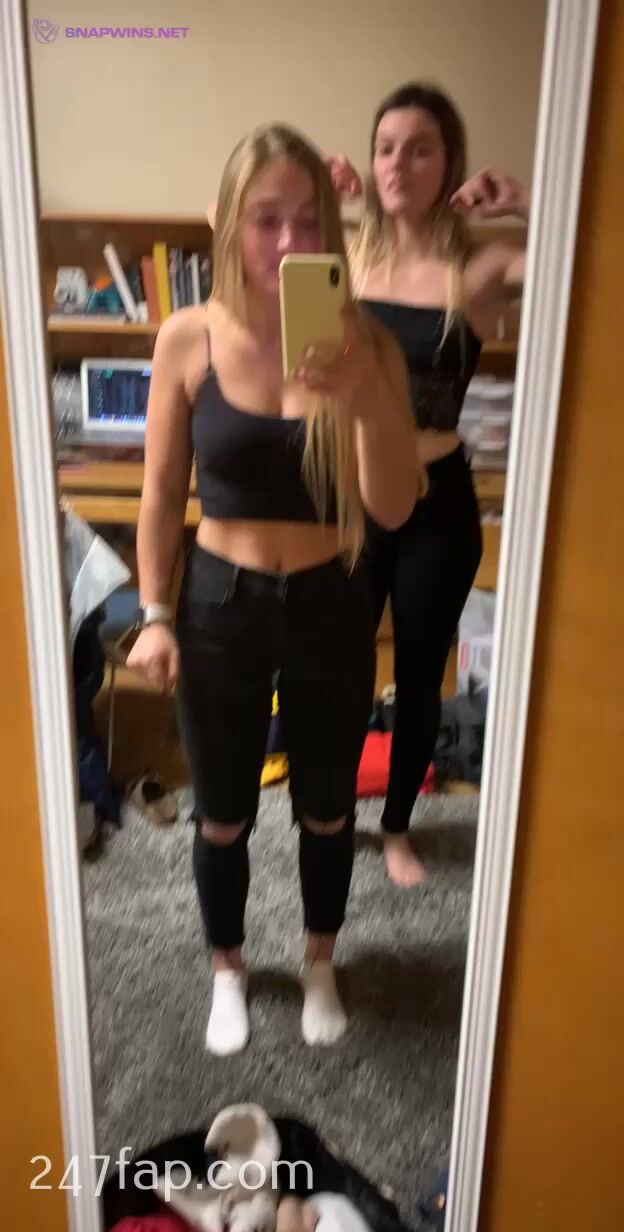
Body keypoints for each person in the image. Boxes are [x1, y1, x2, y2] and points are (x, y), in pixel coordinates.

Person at [126, 123, 426, 1055]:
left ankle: (320, 961)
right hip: (219, 602)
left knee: (328, 805)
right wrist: (154, 614)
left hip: (334, 597)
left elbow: (393, 505)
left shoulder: (368, 342)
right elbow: (160, 493)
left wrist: (365, 394)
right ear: (229, 226)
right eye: (267, 219)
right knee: (222, 810)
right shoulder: (187, 337)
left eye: (308, 218)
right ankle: (228, 969)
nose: (291, 240)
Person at [327, 82, 530, 887]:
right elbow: (228, 222)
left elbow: (596, 256)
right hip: (348, 496)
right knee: (336, 667)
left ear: (450, 163)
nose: (398, 164)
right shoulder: (342, 257)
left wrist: (528, 203)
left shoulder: (480, 266)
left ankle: (397, 826)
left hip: (436, 502)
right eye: (385, 148)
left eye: (419, 149)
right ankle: (329, 813)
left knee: (417, 672)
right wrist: (314, 188)